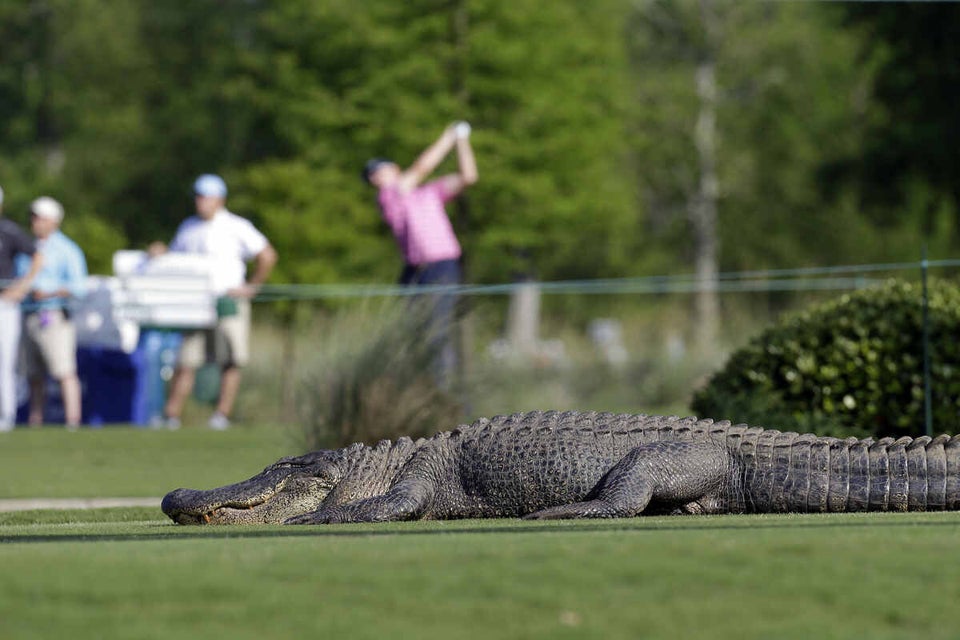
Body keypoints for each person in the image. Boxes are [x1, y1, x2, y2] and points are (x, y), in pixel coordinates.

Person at [153, 174, 277, 430]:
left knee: (230, 359)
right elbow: (176, 260)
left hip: (228, 299)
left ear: (219, 199)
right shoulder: (188, 226)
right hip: (195, 302)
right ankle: (171, 415)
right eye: (198, 196)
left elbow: (267, 255)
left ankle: (221, 415)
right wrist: (160, 253)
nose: (200, 202)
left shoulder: (236, 225)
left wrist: (251, 287)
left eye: (206, 196)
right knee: (186, 359)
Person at [363, 121, 478, 380]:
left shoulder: (429, 193)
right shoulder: (388, 197)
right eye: (371, 175)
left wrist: (462, 142)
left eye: (378, 170)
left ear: (394, 169)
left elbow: (468, 176)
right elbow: (422, 167)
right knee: (414, 331)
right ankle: (421, 384)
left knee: (437, 330)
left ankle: (441, 389)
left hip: (442, 266)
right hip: (415, 272)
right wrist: (448, 136)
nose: (374, 177)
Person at [20, 196, 87, 429]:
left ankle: (72, 420)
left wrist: (48, 293)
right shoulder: (27, 246)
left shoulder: (67, 249)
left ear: (53, 221)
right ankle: (35, 420)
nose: (34, 222)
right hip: (27, 313)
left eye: (40, 218)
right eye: (33, 217)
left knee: (63, 371)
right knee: (33, 375)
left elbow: (80, 287)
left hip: (54, 314)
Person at [0, 187, 43, 431]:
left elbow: (37, 256)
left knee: (5, 361)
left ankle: (6, 416)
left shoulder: (8, 230)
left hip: (5, 303)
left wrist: (22, 287)